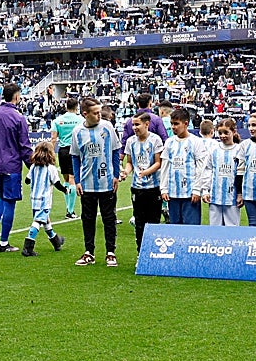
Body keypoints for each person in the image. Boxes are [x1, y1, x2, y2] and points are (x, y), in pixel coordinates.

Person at [71, 96, 122, 267]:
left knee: (109, 218)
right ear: (85, 114)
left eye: (100, 112)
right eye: (95, 113)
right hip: (87, 183)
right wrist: (77, 181)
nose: (99, 115)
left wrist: (115, 175)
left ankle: (110, 252)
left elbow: (116, 150)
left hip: (107, 182)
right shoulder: (77, 132)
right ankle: (89, 252)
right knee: (88, 218)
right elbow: (75, 157)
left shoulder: (107, 127)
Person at [0, 83, 34, 253]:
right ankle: (4, 242)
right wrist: (33, 167)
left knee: (3, 198)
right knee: (10, 201)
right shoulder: (18, 117)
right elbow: (24, 146)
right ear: (17, 96)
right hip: (11, 165)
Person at [121, 112, 164, 252]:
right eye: (133, 124)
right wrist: (126, 172)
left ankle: (154, 251)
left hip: (153, 187)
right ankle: (141, 252)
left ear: (147, 124)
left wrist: (146, 172)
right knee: (139, 222)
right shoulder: (130, 142)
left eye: (137, 124)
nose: (134, 127)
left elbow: (158, 163)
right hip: (137, 188)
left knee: (154, 221)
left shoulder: (155, 140)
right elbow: (130, 163)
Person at [160, 108, 206, 225]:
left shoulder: (196, 142)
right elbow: (165, 166)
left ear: (186, 123)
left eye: (176, 124)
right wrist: (164, 188)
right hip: (173, 193)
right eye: (172, 124)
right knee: (175, 228)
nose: (173, 127)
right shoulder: (169, 142)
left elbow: (201, 167)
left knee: (191, 229)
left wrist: (197, 189)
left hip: (190, 194)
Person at [22, 140, 68, 256]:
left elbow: (27, 180)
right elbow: (57, 183)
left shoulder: (33, 167)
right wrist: (64, 190)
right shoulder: (51, 168)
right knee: (38, 221)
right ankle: (28, 247)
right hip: (44, 199)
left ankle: (56, 242)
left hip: (34, 199)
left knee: (45, 220)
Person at [204, 118, 241, 227]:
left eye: (226, 132)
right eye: (220, 133)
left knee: (232, 229)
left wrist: (240, 194)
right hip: (215, 196)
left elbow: (242, 174)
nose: (223, 136)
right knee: (215, 229)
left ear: (234, 132)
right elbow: (208, 171)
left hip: (232, 198)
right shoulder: (214, 150)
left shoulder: (239, 150)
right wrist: (205, 190)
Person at [52, 99, 83, 219]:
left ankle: (68, 207)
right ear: (76, 107)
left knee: (65, 179)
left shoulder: (58, 120)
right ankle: (70, 211)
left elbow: (54, 138)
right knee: (73, 179)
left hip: (62, 150)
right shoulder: (80, 120)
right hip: (75, 150)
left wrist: (51, 154)